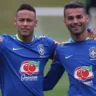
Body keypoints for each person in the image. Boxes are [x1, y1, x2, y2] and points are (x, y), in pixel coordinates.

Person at [0, 3, 65, 96]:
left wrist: (49, 82)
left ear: (35, 23)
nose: (25, 24)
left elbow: (67, 52)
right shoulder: (4, 43)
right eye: (21, 20)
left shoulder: (46, 43)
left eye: (29, 20)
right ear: (15, 21)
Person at [43, 1, 96, 96]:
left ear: (87, 18)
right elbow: (48, 84)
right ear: (65, 22)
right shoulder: (62, 50)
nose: (75, 21)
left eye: (79, 17)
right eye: (70, 18)